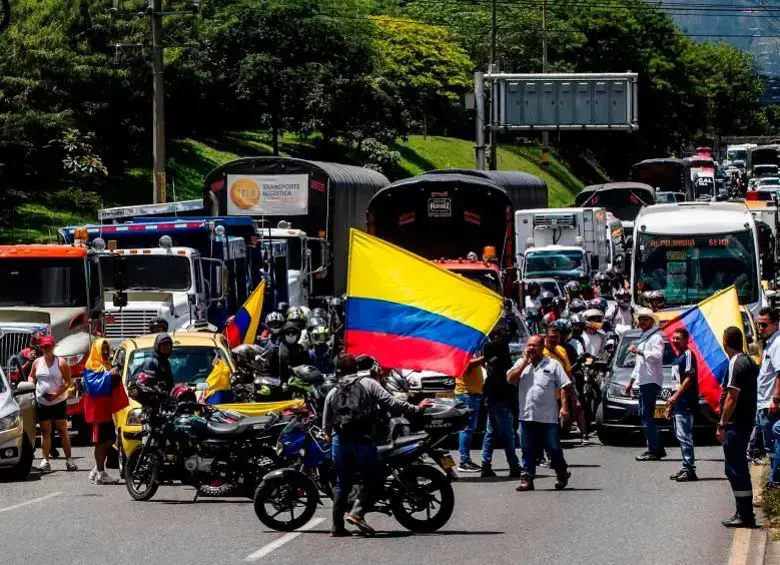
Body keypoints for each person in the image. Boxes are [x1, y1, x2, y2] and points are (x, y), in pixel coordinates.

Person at [322, 355, 431, 537]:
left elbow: (326, 421)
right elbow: (392, 403)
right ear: (356, 368)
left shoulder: (334, 390)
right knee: (375, 477)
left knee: (342, 483)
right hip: (363, 439)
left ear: (339, 371)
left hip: (340, 440)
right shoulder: (368, 384)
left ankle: (337, 527)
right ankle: (357, 513)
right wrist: (417, 408)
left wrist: (327, 434)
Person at [508, 335, 572, 491]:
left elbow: (565, 386)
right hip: (526, 415)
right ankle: (527, 478)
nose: (531, 348)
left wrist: (564, 408)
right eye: (529, 345)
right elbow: (510, 379)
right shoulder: (521, 363)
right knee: (527, 449)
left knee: (553, 448)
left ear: (542, 347)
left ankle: (561, 472)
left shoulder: (553, 364)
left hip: (548, 417)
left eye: (534, 345)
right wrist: (524, 362)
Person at [719, 326, 759, 528]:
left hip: (736, 423)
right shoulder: (749, 360)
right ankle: (744, 511)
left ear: (725, 342)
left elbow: (732, 397)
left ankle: (744, 514)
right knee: (737, 468)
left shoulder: (736, 362)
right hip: (745, 421)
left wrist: (722, 423)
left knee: (735, 469)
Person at [28, 335, 77, 472]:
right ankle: (45, 460)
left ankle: (69, 460)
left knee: (62, 430)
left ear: (53, 347)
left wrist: (56, 394)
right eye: (44, 346)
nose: (47, 348)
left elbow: (68, 382)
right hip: (42, 401)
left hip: (58, 401)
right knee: (45, 431)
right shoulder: (37, 362)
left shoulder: (61, 362)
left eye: (49, 346)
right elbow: (31, 376)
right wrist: (30, 385)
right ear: (41, 348)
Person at [480, 321, 521, 478]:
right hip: (500, 396)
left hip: (493, 396)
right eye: (501, 332)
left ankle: (486, 465)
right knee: (507, 434)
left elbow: (511, 331)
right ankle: (514, 465)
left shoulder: (496, 348)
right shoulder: (493, 347)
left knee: (491, 432)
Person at [624, 308, 666, 461]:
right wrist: (630, 381)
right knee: (645, 415)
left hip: (651, 380)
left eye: (645, 319)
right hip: (643, 380)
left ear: (652, 321)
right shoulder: (643, 337)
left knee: (646, 415)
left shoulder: (656, 338)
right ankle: (657, 448)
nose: (642, 322)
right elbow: (638, 364)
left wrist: (640, 352)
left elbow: (657, 356)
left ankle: (653, 449)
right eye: (640, 319)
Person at [82, 338, 125, 484]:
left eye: (107, 349)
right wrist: (109, 375)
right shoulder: (90, 366)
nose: (106, 352)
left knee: (110, 440)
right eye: (103, 349)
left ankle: (97, 468)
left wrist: (115, 375)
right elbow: (94, 387)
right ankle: (101, 473)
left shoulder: (106, 365)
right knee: (100, 442)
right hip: (96, 411)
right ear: (96, 350)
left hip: (106, 410)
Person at [667, 328, 699, 482]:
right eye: (673, 338)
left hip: (686, 402)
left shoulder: (688, 355)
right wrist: (671, 405)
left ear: (686, 340)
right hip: (678, 404)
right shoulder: (677, 357)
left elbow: (689, 378)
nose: (675, 341)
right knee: (680, 436)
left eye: (678, 338)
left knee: (685, 437)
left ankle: (690, 470)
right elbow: (675, 382)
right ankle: (686, 466)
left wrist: (675, 397)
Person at [757, 307, 780, 488]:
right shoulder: (769, 343)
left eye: (764, 325)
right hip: (763, 402)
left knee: (773, 444)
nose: (760, 329)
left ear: (776, 324)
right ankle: (774, 479)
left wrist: (776, 399)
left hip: (770, 403)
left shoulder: (777, 343)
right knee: (769, 447)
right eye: (759, 325)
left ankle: (775, 479)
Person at [455, 353, 484, 473]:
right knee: (466, 429)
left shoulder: (472, 352)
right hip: (467, 395)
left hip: (471, 395)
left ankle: (465, 460)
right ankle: (464, 461)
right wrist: (486, 356)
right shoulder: (463, 351)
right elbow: (467, 366)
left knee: (468, 429)